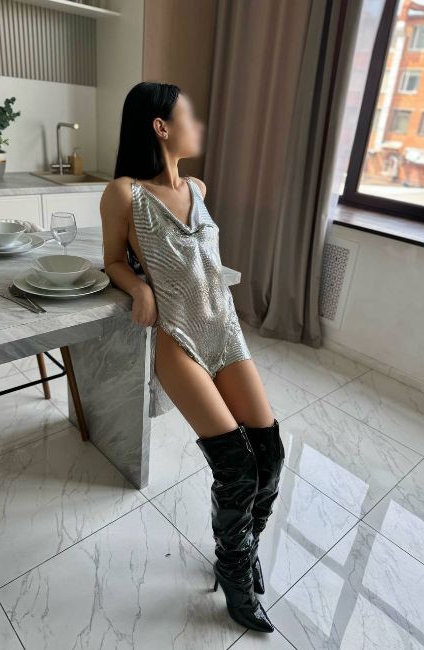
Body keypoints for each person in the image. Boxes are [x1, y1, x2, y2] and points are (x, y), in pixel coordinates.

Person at [100, 81, 285, 634]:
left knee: (270, 453)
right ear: (161, 126)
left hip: (225, 332)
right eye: (189, 116)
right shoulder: (124, 194)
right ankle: (234, 573)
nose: (198, 125)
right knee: (236, 466)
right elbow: (112, 259)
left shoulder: (198, 187)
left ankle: (244, 546)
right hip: (179, 339)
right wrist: (139, 288)